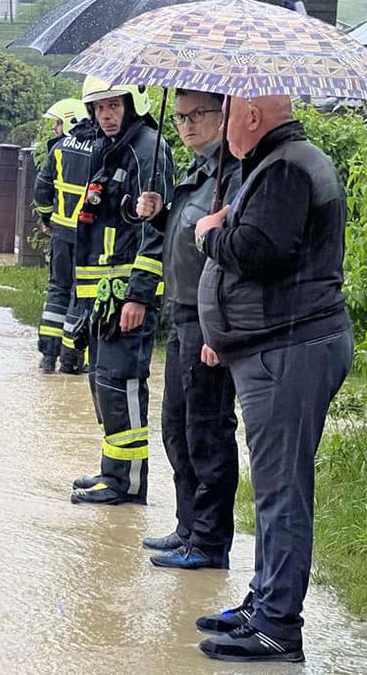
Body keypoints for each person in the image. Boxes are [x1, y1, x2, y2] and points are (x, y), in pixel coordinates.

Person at [193, 95, 353, 662]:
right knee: (271, 489)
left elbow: (261, 250)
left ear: (253, 117)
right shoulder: (277, 162)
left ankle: (278, 626)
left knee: (282, 492)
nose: (221, 123)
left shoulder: (287, 167)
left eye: (228, 111)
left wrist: (208, 232)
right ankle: (265, 601)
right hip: (273, 347)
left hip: (291, 351)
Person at [135, 90, 241, 570]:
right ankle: (187, 527)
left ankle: (210, 541)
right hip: (179, 311)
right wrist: (161, 210)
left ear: (225, 114)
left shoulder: (234, 173)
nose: (187, 125)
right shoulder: (197, 172)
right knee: (175, 426)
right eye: (180, 118)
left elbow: (232, 251)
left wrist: (220, 331)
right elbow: (184, 232)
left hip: (208, 318)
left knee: (208, 429)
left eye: (198, 114)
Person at [70, 76, 173, 506]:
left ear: (132, 103)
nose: (106, 115)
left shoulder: (148, 149)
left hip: (128, 295)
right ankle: (113, 470)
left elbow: (156, 233)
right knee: (106, 384)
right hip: (103, 294)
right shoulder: (106, 149)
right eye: (98, 107)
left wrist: (139, 295)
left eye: (113, 105)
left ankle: (127, 484)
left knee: (124, 384)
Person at [33, 97, 94, 374]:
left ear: (71, 120)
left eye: (58, 122)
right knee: (80, 295)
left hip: (60, 235)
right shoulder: (101, 150)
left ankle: (48, 357)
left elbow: (42, 189)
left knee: (57, 291)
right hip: (87, 238)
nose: (56, 127)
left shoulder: (58, 149)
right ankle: (71, 359)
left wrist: (47, 218)